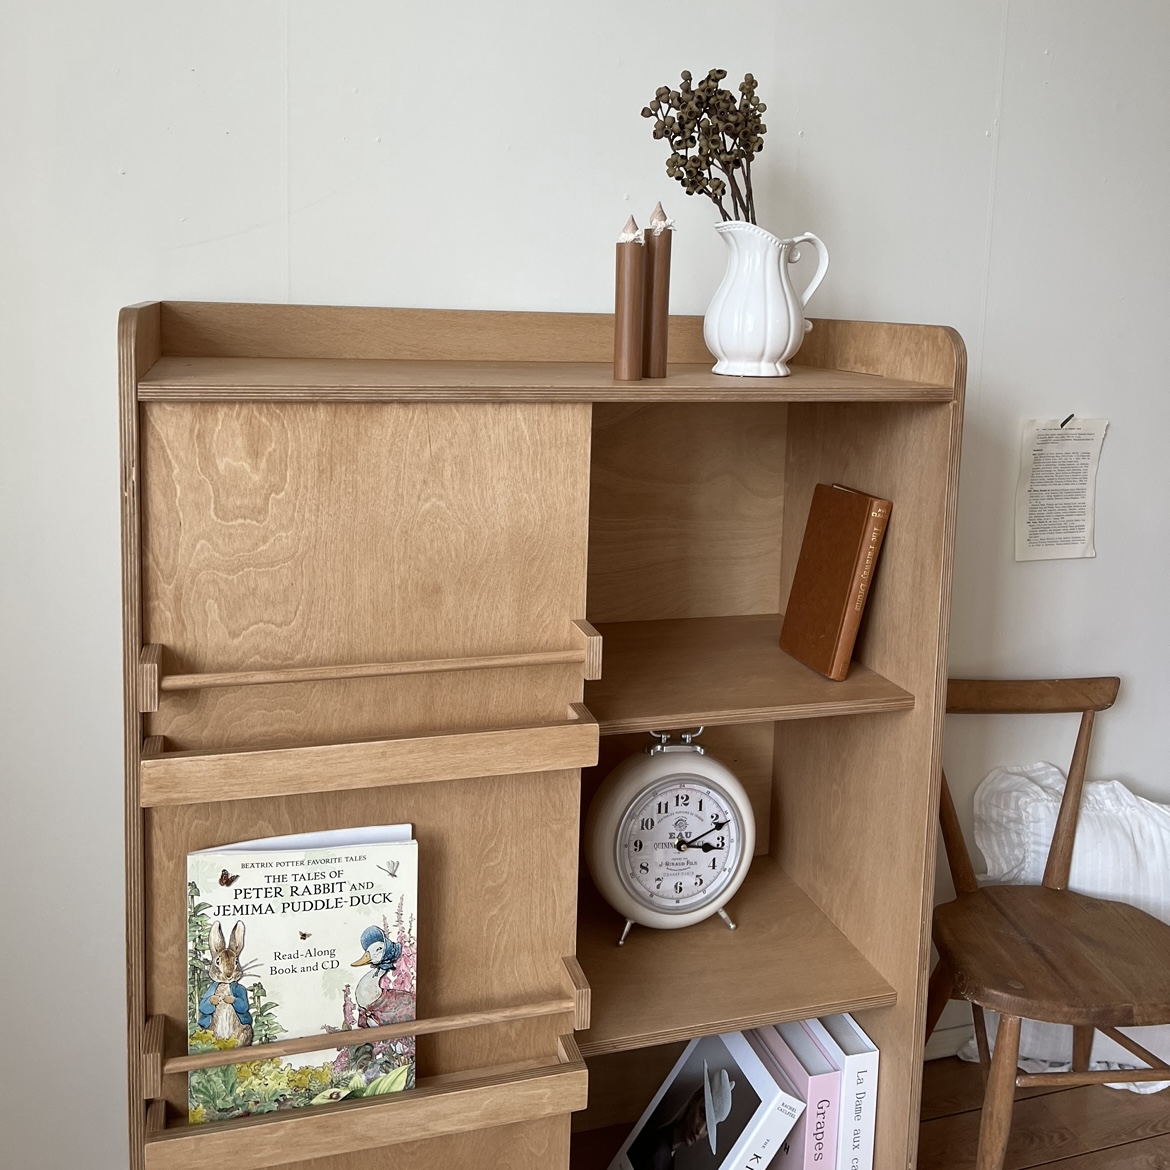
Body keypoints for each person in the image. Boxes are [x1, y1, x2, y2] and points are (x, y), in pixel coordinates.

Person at [626, 1061, 734, 1169]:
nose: (699, 1130)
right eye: (702, 1114)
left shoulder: (668, 1153)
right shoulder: (658, 1153)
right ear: (695, 1099)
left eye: (708, 1128)